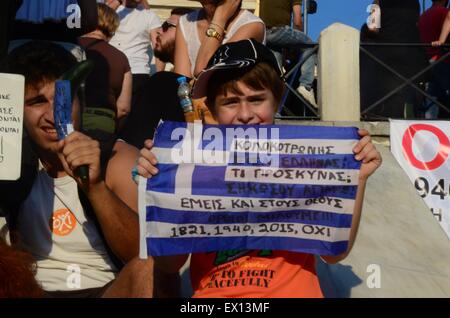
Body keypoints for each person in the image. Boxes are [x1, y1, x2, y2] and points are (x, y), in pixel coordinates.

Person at [136, 39, 382, 298]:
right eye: (230, 102)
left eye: (256, 99)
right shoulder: (190, 163)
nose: (245, 114)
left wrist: (358, 178)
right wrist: (153, 188)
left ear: (277, 101)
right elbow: (169, 264)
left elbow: (334, 254)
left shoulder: (306, 161)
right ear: (212, 109)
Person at [0, 41, 168, 298]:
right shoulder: (12, 166)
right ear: (16, 112)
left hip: (106, 290)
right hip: (30, 288)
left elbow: (142, 254)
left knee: (149, 267)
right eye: (36, 102)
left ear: (81, 101)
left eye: (62, 100)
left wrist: (96, 187)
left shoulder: (116, 158)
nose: (53, 115)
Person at [79, 3, 132, 142]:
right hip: (103, 123)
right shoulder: (121, 58)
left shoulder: (72, 46)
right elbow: (123, 108)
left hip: (71, 118)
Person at [174, 0, 265, 79]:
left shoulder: (251, 25)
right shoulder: (185, 22)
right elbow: (182, 84)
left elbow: (204, 71)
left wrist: (219, 19)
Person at [259, 0, 317, 107]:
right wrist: (296, 45)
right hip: (279, 31)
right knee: (310, 45)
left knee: (276, 74)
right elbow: (298, 21)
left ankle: (275, 109)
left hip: (264, 33)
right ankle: (306, 86)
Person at [108, 0, 162, 111]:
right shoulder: (111, 11)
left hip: (138, 72)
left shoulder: (149, 16)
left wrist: (159, 76)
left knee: (132, 116)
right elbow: (98, 21)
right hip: (111, 70)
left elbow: (159, 48)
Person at [418, 0, 450, 118]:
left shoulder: (424, 15)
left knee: (432, 99)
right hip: (443, 60)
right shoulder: (443, 13)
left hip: (427, 61)